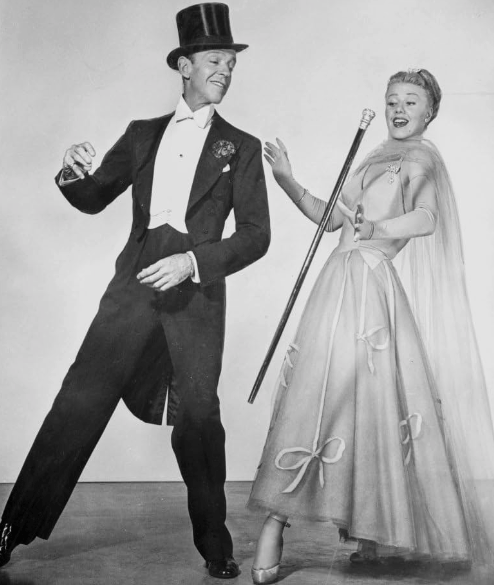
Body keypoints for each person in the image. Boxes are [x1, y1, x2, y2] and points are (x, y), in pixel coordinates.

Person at [0, 3, 270, 579]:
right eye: (215, 61)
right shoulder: (142, 134)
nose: (225, 71)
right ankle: (11, 528)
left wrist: (192, 262)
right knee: (78, 401)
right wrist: (71, 170)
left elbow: (256, 236)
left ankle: (215, 545)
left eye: (231, 63)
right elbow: (93, 196)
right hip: (132, 286)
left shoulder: (241, 147)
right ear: (185, 66)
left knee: (199, 417)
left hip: (195, 293)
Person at [247, 69, 494, 584]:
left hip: (372, 287)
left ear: (430, 112)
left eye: (411, 101)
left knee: (370, 406)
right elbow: (331, 219)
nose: (399, 109)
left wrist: (378, 227)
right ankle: (277, 523)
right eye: (392, 100)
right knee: (316, 397)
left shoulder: (423, 161)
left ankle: (368, 533)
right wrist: (287, 178)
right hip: (336, 282)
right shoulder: (372, 157)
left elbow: (426, 219)